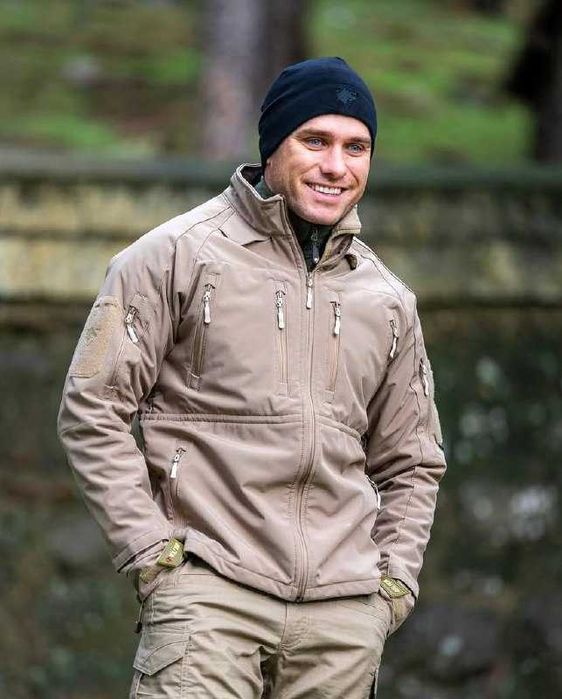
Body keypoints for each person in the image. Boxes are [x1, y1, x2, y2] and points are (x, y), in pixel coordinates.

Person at [58, 57, 446, 698]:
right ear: (272, 146)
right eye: (314, 140)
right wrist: (152, 554)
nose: (335, 165)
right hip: (208, 599)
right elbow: (92, 407)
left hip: (343, 621)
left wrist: (391, 586)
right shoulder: (172, 256)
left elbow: (413, 460)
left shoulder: (388, 299)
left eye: (356, 147)